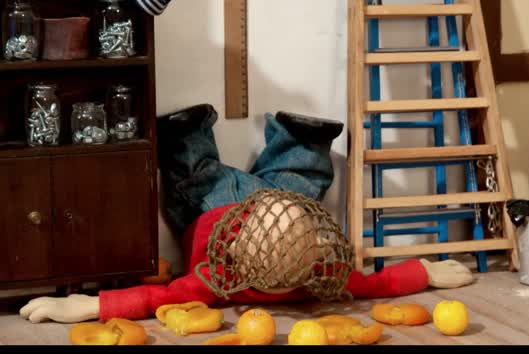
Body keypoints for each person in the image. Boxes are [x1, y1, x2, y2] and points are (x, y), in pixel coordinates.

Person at [19, 105, 474, 324]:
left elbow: (157, 299)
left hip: (256, 204)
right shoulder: (234, 276)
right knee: (203, 181)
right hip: (229, 206)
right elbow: (374, 284)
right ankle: (284, 141)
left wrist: (89, 304)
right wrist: (425, 271)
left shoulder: (237, 275)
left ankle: (282, 141)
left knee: (222, 178)